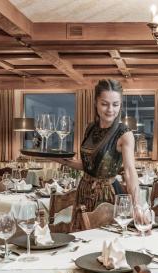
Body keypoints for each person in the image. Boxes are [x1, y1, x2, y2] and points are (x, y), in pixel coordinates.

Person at [52, 79, 141, 225]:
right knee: (83, 241)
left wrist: (137, 206)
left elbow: (130, 172)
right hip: (84, 191)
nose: (110, 109)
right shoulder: (91, 128)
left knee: (105, 242)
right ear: (96, 103)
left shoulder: (124, 134)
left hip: (107, 196)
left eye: (115, 104)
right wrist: (59, 159)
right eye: (104, 104)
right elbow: (89, 166)